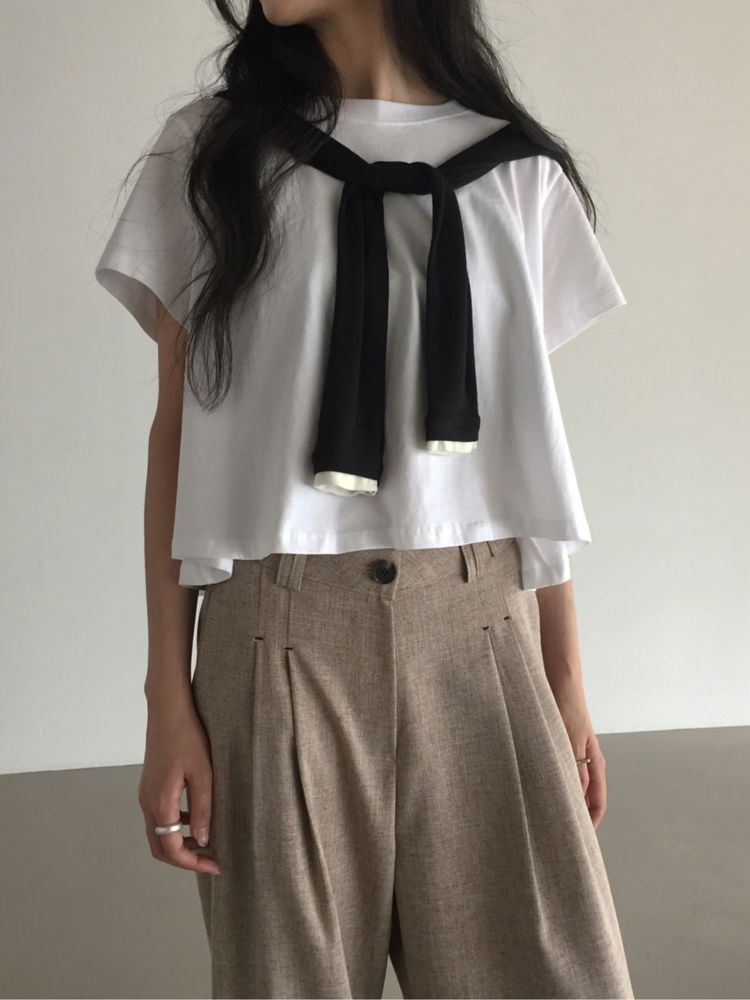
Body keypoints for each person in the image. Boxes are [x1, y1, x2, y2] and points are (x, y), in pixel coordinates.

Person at [94, 1, 634, 997]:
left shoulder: (517, 171)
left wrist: (565, 676)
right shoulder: (214, 153)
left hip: (482, 630)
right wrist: (168, 695)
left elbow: (525, 448)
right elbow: (174, 434)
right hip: (276, 639)